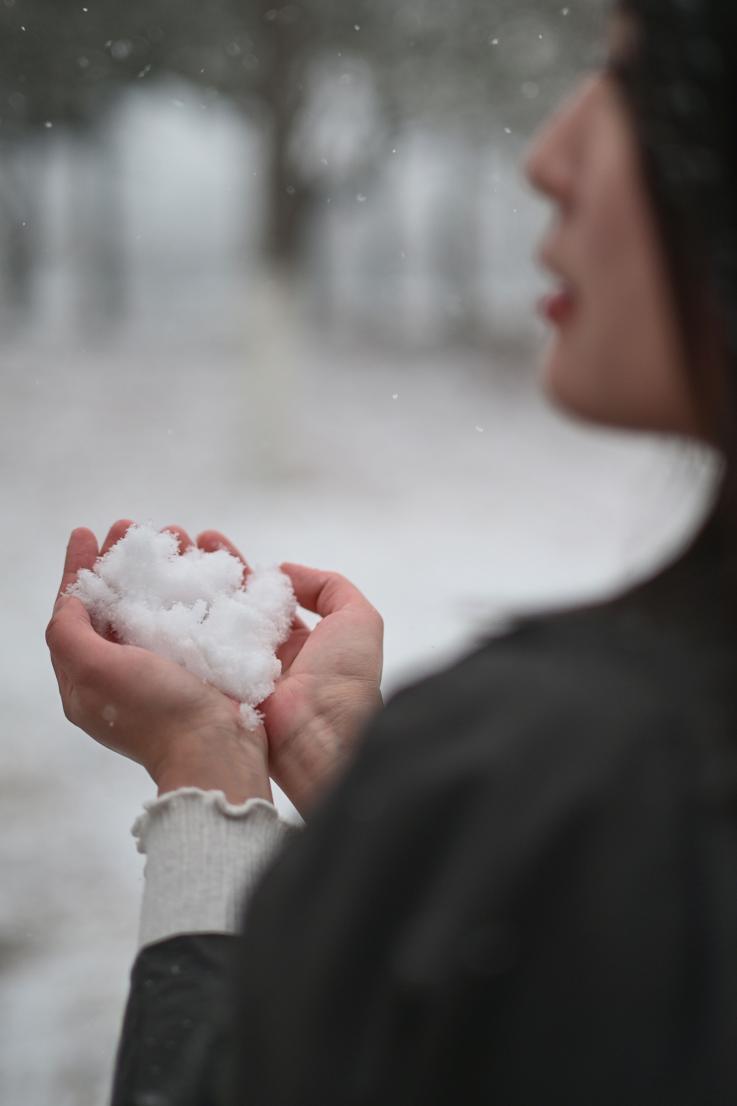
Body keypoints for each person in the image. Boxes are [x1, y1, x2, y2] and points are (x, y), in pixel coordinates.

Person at [45, 1, 737, 1102]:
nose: (549, 158)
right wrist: (342, 763)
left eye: (630, 80)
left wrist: (203, 780)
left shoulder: (599, 764)